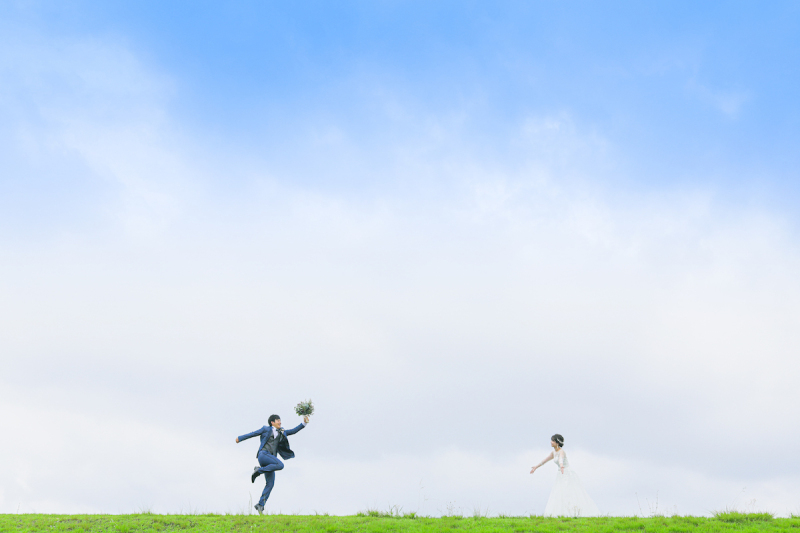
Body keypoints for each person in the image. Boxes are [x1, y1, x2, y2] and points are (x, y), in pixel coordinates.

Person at [236, 414, 310, 515]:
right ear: (272, 422)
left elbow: (293, 431)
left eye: (280, 420)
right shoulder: (265, 429)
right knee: (281, 465)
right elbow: (252, 434)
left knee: (270, 484)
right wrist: (239, 438)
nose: (280, 422)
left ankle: (260, 505)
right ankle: (258, 470)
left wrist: (304, 423)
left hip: (271, 461)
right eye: (278, 420)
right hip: (263, 455)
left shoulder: (282, 432)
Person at [530, 434, 599, 517]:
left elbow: (560, 458)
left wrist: (561, 465)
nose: (551, 442)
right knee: (559, 493)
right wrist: (536, 467)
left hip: (566, 473)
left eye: (553, 441)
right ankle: (562, 514)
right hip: (560, 473)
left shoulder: (561, 451)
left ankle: (573, 512)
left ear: (557, 443)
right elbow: (545, 460)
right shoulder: (553, 452)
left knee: (569, 492)